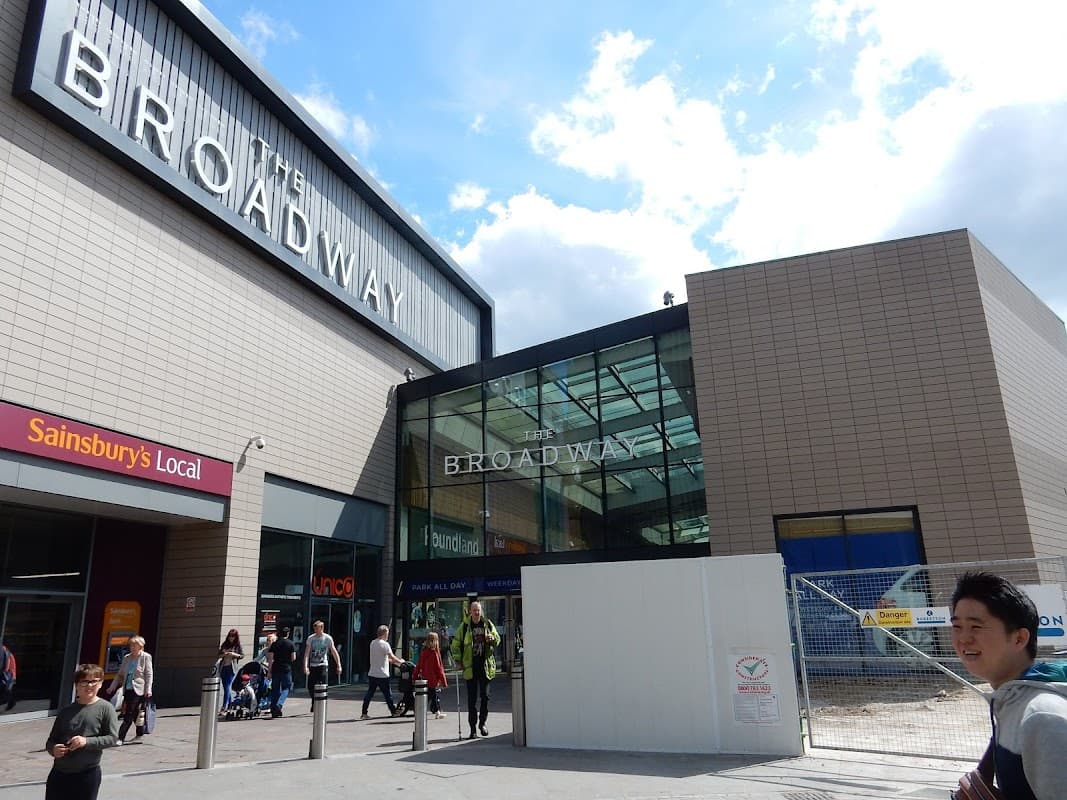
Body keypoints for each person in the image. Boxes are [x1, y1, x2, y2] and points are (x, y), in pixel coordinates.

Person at [950, 571, 1067, 800]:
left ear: (1019, 639)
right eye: (957, 627)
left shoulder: (1042, 717)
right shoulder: (1010, 702)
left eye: (976, 627)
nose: (963, 639)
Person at [45, 663, 119, 800]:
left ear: (101, 684)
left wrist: (86, 741)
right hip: (59, 773)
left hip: (87, 773)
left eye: (94, 681)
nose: (89, 686)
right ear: (77, 685)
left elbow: (112, 738)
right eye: (84, 682)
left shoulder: (105, 708)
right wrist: (53, 749)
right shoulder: (66, 711)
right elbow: (51, 740)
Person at [450, 601, 500, 739]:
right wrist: (458, 660)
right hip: (470, 668)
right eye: (474, 610)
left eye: (478, 610)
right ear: (470, 611)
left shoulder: (488, 624)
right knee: (472, 700)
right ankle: (472, 729)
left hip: (485, 666)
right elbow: (455, 645)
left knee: (485, 697)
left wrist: (492, 638)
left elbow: (497, 638)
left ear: (481, 611)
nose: (477, 613)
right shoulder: (465, 626)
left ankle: (482, 723)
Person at [106, 635, 153, 743]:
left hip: (139, 689)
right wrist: (112, 686)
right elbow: (120, 674)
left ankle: (120, 737)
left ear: (140, 646)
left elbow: (149, 674)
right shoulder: (127, 658)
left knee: (128, 713)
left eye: (134, 645)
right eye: (131, 645)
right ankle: (140, 733)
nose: (132, 647)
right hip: (127, 688)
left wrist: (148, 689)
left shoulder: (146, 657)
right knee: (136, 712)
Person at [361, 625, 404, 719]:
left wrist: (391, 661)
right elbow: (392, 656)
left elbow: (384, 657)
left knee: (369, 693)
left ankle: (364, 713)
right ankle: (393, 711)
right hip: (383, 674)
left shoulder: (372, 643)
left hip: (372, 673)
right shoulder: (385, 644)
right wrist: (401, 662)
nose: (388, 635)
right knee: (388, 695)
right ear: (384, 633)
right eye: (387, 633)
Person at [303, 620, 342, 709]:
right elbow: (307, 653)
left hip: (323, 664)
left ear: (322, 628)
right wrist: (305, 666)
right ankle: (314, 700)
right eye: (314, 628)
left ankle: (320, 704)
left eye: (317, 628)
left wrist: (338, 664)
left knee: (322, 684)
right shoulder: (311, 638)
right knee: (311, 686)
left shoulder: (327, 638)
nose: (316, 630)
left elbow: (334, 651)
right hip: (313, 664)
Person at [414, 631, 448, 719]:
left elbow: (419, 665)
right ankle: (433, 711)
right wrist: (444, 681)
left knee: (432, 696)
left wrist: (414, 677)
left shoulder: (424, 651)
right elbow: (439, 668)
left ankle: (437, 711)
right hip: (433, 679)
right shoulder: (435, 653)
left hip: (425, 678)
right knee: (431, 695)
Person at [267, 626, 296, 717]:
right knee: (286, 688)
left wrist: (269, 671)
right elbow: (293, 658)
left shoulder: (274, 644)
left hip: (276, 668)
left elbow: (270, 659)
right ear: (288, 633)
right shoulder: (291, 644)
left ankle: (274, 710)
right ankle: (279, 704)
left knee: (275, 689)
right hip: (286, 668)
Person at [217, 629, 244, 710]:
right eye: (230, 636)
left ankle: (224, 706)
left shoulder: (237, 646)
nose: (231, 638)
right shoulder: (225, 644)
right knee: (225, 686)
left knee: (228, 686)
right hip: (223, 667)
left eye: (233, 636)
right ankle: (230, 704)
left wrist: (233, 654)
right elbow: (219, 655)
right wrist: (224, 654)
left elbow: (242, 655)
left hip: (231, 668)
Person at [0, 640, 16, 711]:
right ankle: (10, 702)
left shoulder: (3, 651)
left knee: (6, 691)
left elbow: (5, 666)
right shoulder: (8, 652)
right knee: (7, 691)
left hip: (6, 676)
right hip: (9, 676)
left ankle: (10, 702)